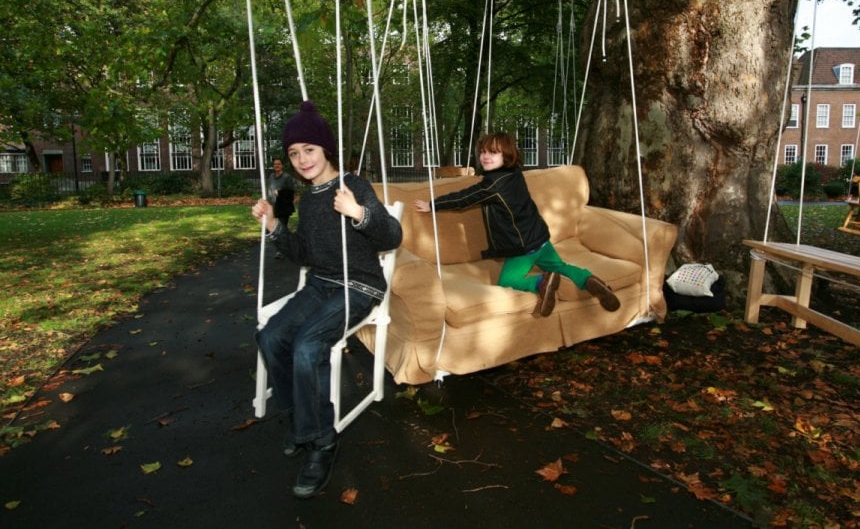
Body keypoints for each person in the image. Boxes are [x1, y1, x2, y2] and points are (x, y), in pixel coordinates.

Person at [252, 100, 403, 499]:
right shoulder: (308, 200)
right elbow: (304, 254)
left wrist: (358, 213)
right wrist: (274, 227)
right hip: (321, 283)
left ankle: (321, 442)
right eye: (294, 153)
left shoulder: (354, 185)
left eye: (309, 150)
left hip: (360, 285)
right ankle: (300, 419)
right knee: (270, 337)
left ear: (326, 150)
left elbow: (391, 237)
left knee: (307, 346)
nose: (302, 160)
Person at [414, 132, 619, 317]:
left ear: (507, 156)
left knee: (508, 281)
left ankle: (542, 283)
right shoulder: (515, 174)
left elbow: (465, 197)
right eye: (483, 152)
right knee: (560, 266)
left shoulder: (493, 184)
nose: (485, 156)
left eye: (493, 153)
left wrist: (432, 205)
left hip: (523, 247)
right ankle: (589, 280)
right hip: (540, 238)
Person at [266, 157, 298, 258]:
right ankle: (287, 246)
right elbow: (269, 190)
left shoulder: (287, 177)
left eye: (279, 164)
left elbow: (291, 192)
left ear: (282, 165)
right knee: (274, 229)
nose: (277, 166)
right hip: (273, 207)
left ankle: (282, 250)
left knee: (281, 228)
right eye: (275, 164)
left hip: (283, 207)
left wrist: (280, 193)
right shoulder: (271, 176)